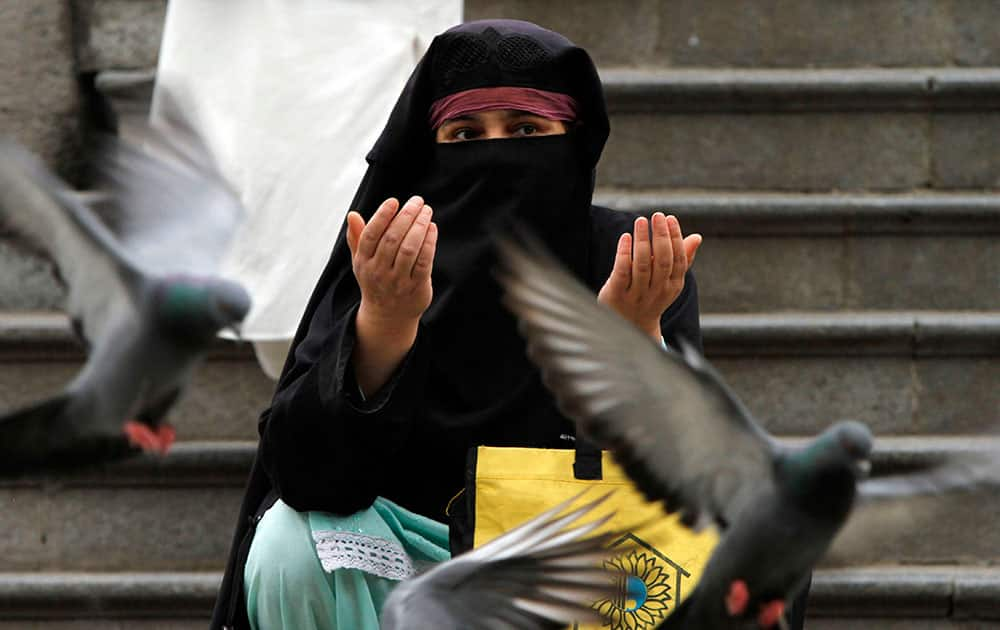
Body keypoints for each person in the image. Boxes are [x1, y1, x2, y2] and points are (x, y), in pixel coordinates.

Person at [210, 18, 772, 630]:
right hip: (415, 555)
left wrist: (629, 338)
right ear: (430, 151)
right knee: (290, 543)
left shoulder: (625, 257)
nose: (496, 151)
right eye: (465, 132)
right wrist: (385, 324)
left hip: (578, 556)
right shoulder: (395, 255)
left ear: (572, 140)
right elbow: (305, 473)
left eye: (528, 130)